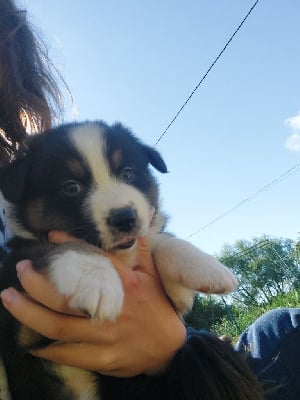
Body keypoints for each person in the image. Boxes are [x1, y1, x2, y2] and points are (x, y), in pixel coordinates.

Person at [0, 1, 298, 399]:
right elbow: (29, 260)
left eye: (126, 174)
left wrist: (169, 341)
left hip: (164, 375)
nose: (117, 203)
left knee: (285, 328)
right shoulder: (25, 210)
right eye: (73, 188)